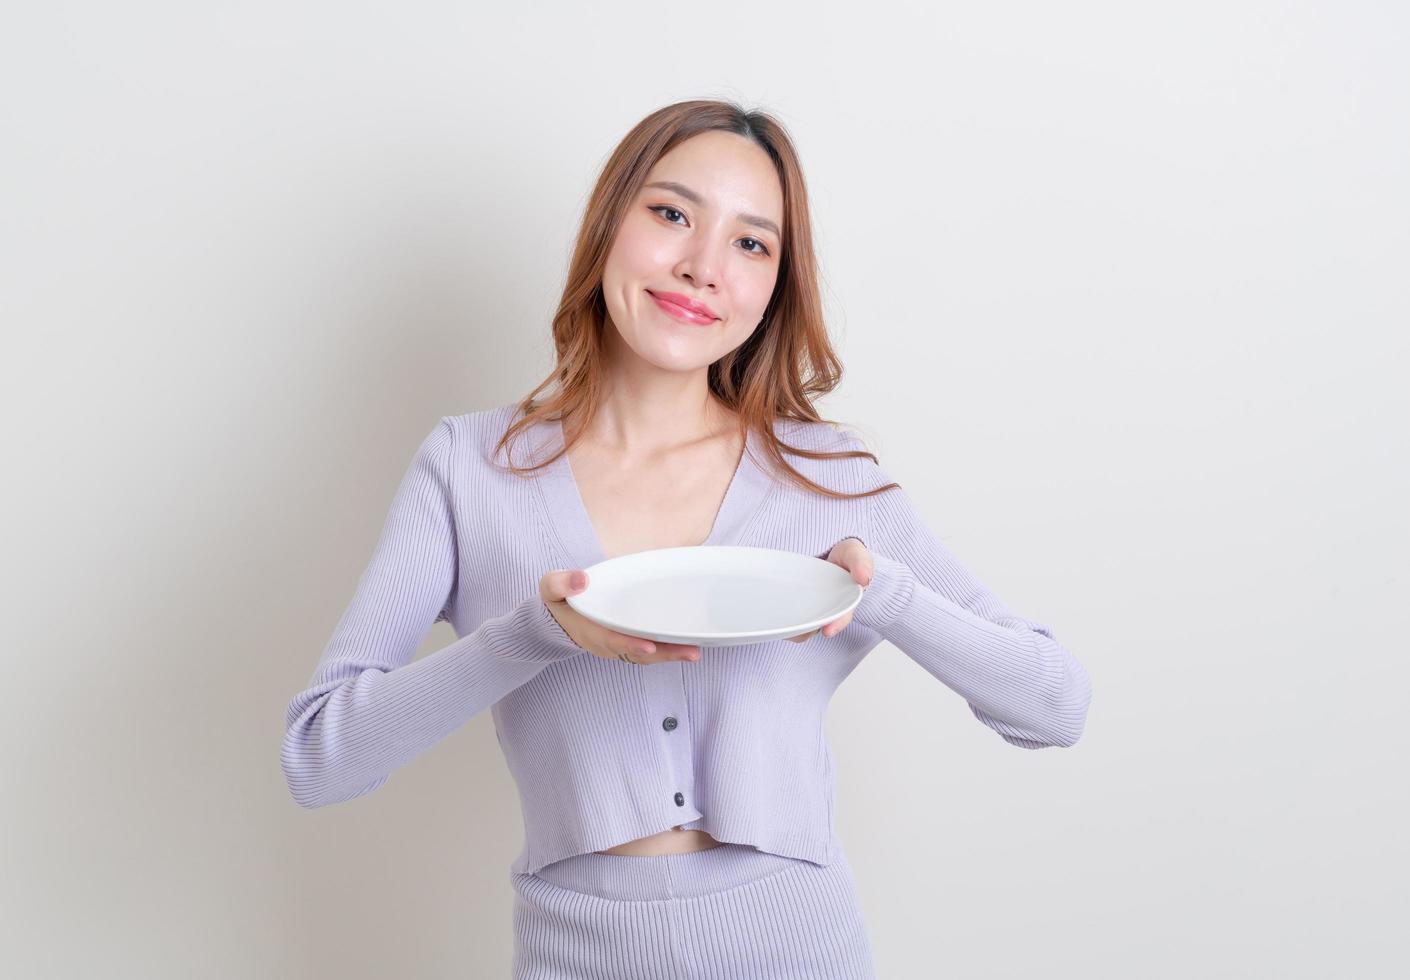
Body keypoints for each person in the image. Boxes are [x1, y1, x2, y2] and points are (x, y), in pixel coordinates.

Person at [281, 99, 1093, 979]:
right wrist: (531, 636)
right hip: (573, 954)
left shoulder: (829, 476)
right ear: (608, 227)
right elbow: (320, 761)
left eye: (752, 243)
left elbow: (1054, 708)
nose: (703, 267)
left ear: (777, 284)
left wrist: (886, 593)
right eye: (671, 214)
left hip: (801, 946)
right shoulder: (468, 468)